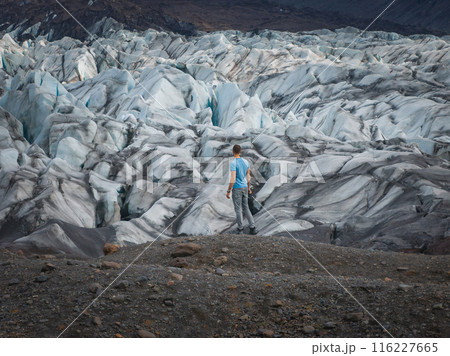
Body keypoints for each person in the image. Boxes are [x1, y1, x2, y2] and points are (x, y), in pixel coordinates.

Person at [226, 144, 257, 235]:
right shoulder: (246, 162)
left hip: (237, 188)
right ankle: (252, 227)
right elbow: (248, 176)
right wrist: (248, 187)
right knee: (246, 207)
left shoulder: (233, 163)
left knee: (238, 209)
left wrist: (228, 190)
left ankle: (240, 229)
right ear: (240, 151)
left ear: (233, 151)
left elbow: (233, 178)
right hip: (244, 187)